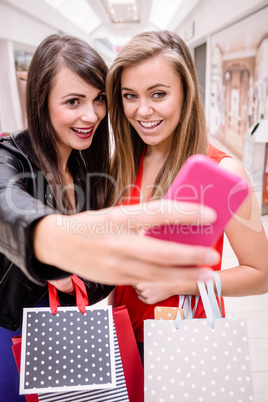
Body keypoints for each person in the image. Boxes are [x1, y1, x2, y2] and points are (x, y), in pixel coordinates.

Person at [0, 33, 219, 400]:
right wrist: (52, 242)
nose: (91, 115)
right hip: (12, 334)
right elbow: (6, 205)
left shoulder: (93, 170)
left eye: (99, 99)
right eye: (73, 102)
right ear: (41, 103)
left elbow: (100, 276)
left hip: (68, 333)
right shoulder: (10, 159)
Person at [106, 30, 268, 361]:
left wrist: (180, 283)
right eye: (130, 96)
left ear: (185, 92)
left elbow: (261, 274)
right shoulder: (121, 163)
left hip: (184, 339)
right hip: (123, 332)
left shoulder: (222, 173)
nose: (143, 110)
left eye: (158, 94)